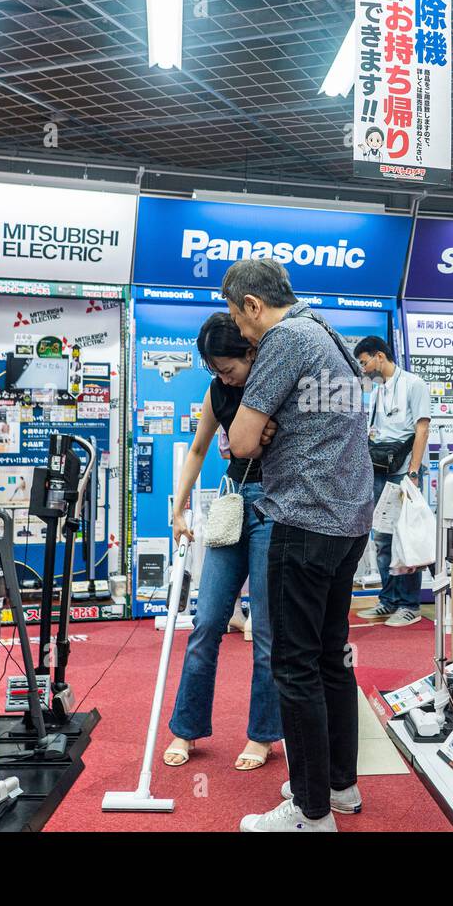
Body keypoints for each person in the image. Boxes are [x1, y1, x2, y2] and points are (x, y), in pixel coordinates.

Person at [223, 258, 374, 832]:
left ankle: (311, 815)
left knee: (294, 666)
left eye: (239, 315)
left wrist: (253, 437)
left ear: (253, 304)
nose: (239, 330)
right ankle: (339, 788)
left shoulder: (284, 340)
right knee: (331, 658)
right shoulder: (329, 335)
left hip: (305, 520)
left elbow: (238, 441)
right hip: (347, 521)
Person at [162, 313, 283, 773]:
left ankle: (263, 735)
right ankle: (186, 727)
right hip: (232, 502)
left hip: (275, 509)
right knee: (207, 621)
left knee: (268, 633)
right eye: (214, 369)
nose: (222, 375)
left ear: (251, 351)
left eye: (226, 366)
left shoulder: (278, 382)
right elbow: (197, 448)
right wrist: (179, 509)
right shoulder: (218, 392)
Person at [355, 335, 431, 627]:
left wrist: (413, 471)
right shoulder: (376, 392)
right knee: (383, 537)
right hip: (379, 469)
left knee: (405, 536)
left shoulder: (414, 384)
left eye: (365, 362)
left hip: (404, 470)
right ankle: (387, 601)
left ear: (380, 357)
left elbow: (421, 429)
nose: (363, 369)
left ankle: (409, 605)